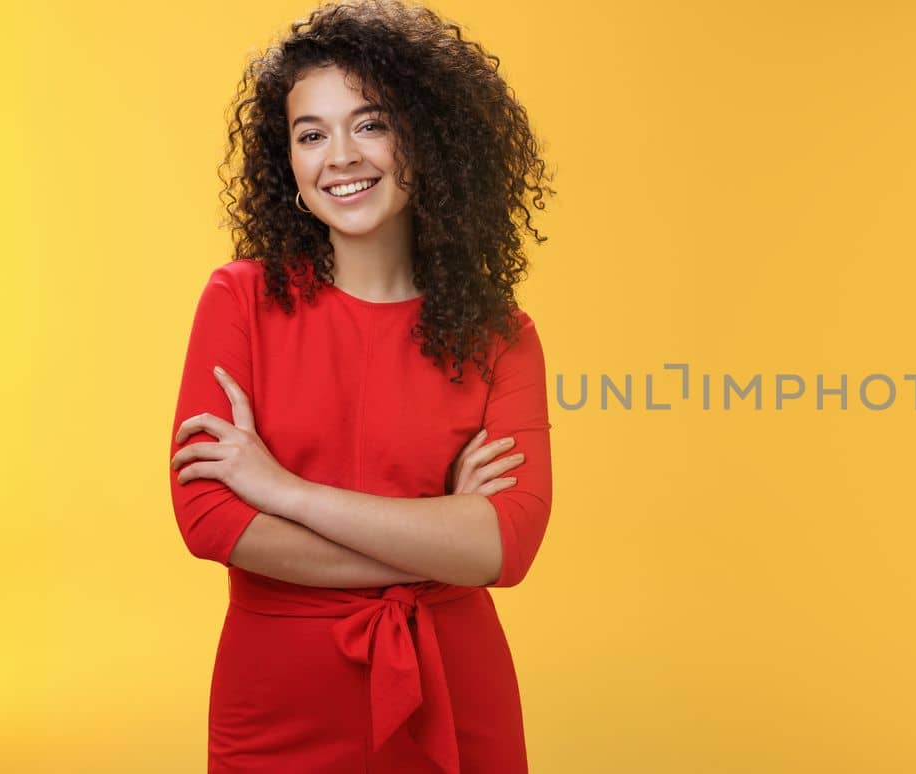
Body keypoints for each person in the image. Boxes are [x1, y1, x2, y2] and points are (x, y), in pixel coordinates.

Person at [166, 1, 558, 770]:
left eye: (370, 123)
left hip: (456, 697)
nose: (339, 155)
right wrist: (441, 532)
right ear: (289, 165)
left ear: (430, 138)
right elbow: (209, 519)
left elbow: (506, 546)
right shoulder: (238, 298)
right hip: (275, 706)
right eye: (311, 134)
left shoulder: (502, 335)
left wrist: (282, 490)